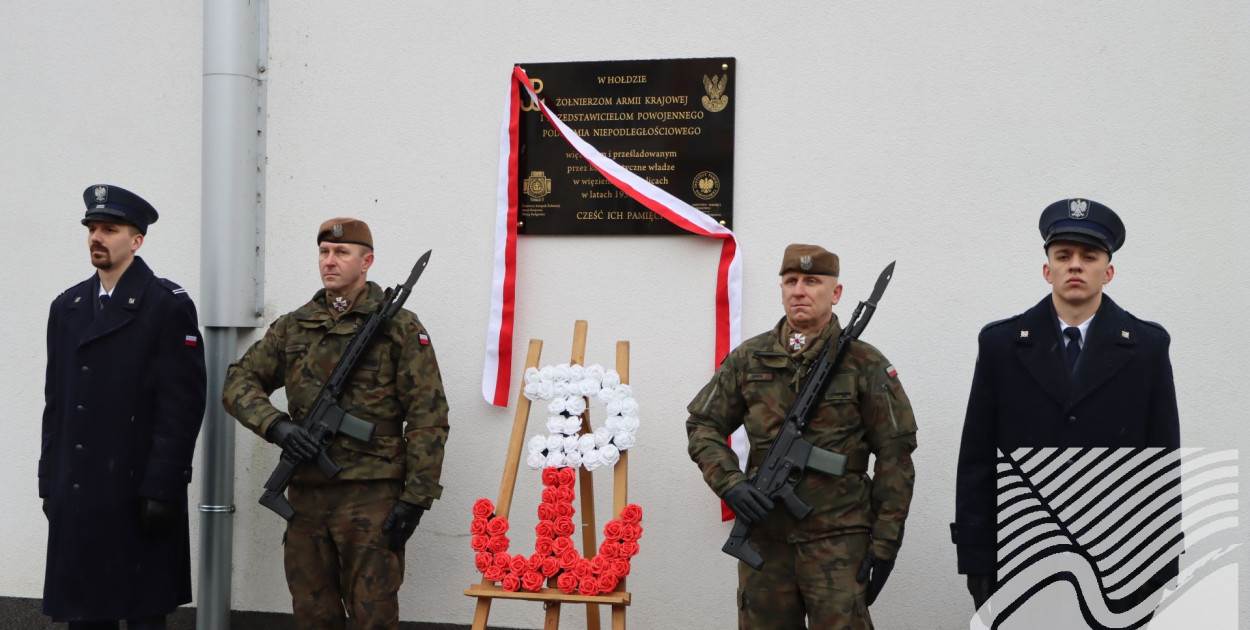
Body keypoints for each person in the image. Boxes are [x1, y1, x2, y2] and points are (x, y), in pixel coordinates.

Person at [951, 198, 1181, 611]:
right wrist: (977, 559)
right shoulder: (1001, 346)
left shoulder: (1147, 348)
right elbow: (978, 460)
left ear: (1108, 272)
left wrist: (1159, 566)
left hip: (1116, 561)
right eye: (1064, 255)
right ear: (1047, 270)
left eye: (1089, 256)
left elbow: (1161, 463)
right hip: (1023, 556)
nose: (1076, 265)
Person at [222, 217, 449, 629]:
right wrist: (277, 426)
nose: (329, 260)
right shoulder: (294, 325)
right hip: (307, 498)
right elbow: (238, 380)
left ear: (367, 262)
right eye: (324, 252)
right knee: (313, 615)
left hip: (372, 496)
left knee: (372, 615)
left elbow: (427, 417)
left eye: (342, 252)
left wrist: (416, 498)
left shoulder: (398, 326)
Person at [686, 244, 918, 629]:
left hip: (838, 542)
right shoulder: (749, 358)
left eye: (812, 281)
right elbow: (702, 426)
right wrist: (731, 484)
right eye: (790, 281)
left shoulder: (866, 363)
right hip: (765, 544)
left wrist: (885, 544)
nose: (799, 290)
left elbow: (896, 456)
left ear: (836, 293)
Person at [40, 185, 207, 630]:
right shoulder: (67, 307)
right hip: (79, 492)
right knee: (84, 616)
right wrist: (49, 481)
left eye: (109, 229)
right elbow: (56, 403)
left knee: (142, 613)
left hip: (137, 492)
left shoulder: (166, 305)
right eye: (92, 228)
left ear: (137, 240)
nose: (97, 237)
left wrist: (164, 485)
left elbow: (183, 404)